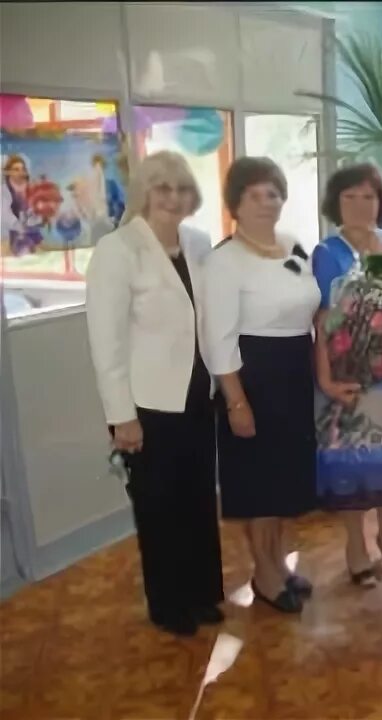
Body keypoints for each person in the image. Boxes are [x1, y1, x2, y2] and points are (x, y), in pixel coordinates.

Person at [85, 150, 223, 636]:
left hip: (197, 395)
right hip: (148, 405)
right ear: (144, 192)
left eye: (183, 188)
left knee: (198, 499)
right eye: (163, 188)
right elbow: (106, 342)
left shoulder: (198, 242)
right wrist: (121, 416)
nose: (173, 197)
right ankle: (169, 604)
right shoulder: (118, 250)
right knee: (159, 507)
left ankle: (202, 593)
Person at [201, 157, 321, 614]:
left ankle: (278, 565)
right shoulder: (224, 260)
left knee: (284, 481)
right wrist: (236, 401)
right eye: (254, 195)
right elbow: (217, 337)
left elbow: (311, 305)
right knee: (258, 483)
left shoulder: (293, 245)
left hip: (294, 371)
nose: (266, 202)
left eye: (273, 193)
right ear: (235, 204)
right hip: (252, 377)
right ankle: (265, 574)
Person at [312, 162, 382, 588]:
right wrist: (326, 381)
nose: (361, 205)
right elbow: (323, 322)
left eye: (369, 196)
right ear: (336, 203)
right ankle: (356, 548)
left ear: (381, 202)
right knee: (355, 465)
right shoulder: (328, 253)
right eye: (350, 197)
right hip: (351, 377)